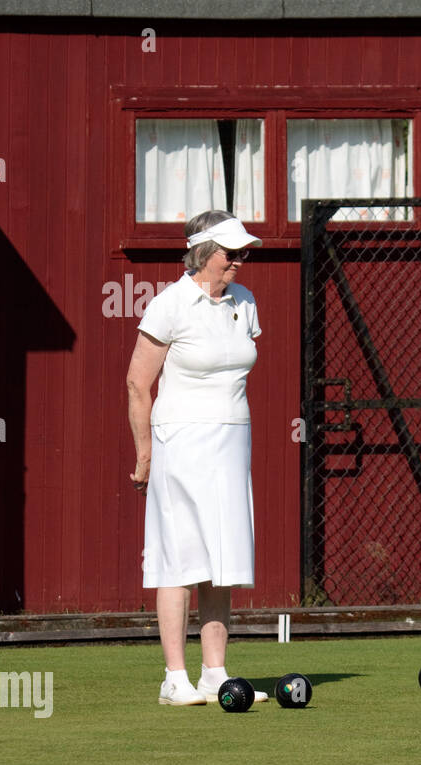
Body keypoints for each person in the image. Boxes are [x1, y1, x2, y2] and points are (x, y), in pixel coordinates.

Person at [126, 210, 268, 706]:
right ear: (203, 252)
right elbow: (138, 384)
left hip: (232, 439)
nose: (240, 261)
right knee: (180, 558)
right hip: (180, 440)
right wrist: (145, 455)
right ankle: (174, 678)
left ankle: (214, 674)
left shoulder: (243, 301)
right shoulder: (169, 305)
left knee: (221, 559)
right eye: (231, 253)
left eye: (242, 252)